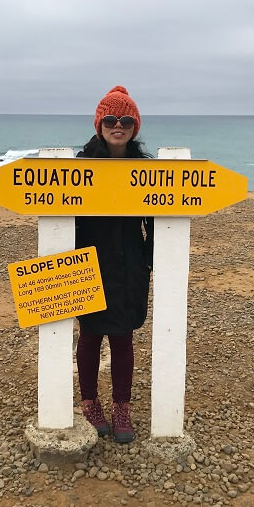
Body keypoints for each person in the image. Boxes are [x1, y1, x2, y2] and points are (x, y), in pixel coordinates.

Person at [75, 85, 153, 444]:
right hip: (89, 260)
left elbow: (156, 217)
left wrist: (151, 260)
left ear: (134, 126)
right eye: (110, 119)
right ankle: (89, 402)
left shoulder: (146, 170)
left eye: (125, 120)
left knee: (123, 337)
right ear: (99, 124)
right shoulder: (81, 166)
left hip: (130, 263)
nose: (117, 125)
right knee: (90, 334)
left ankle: (122, 406)